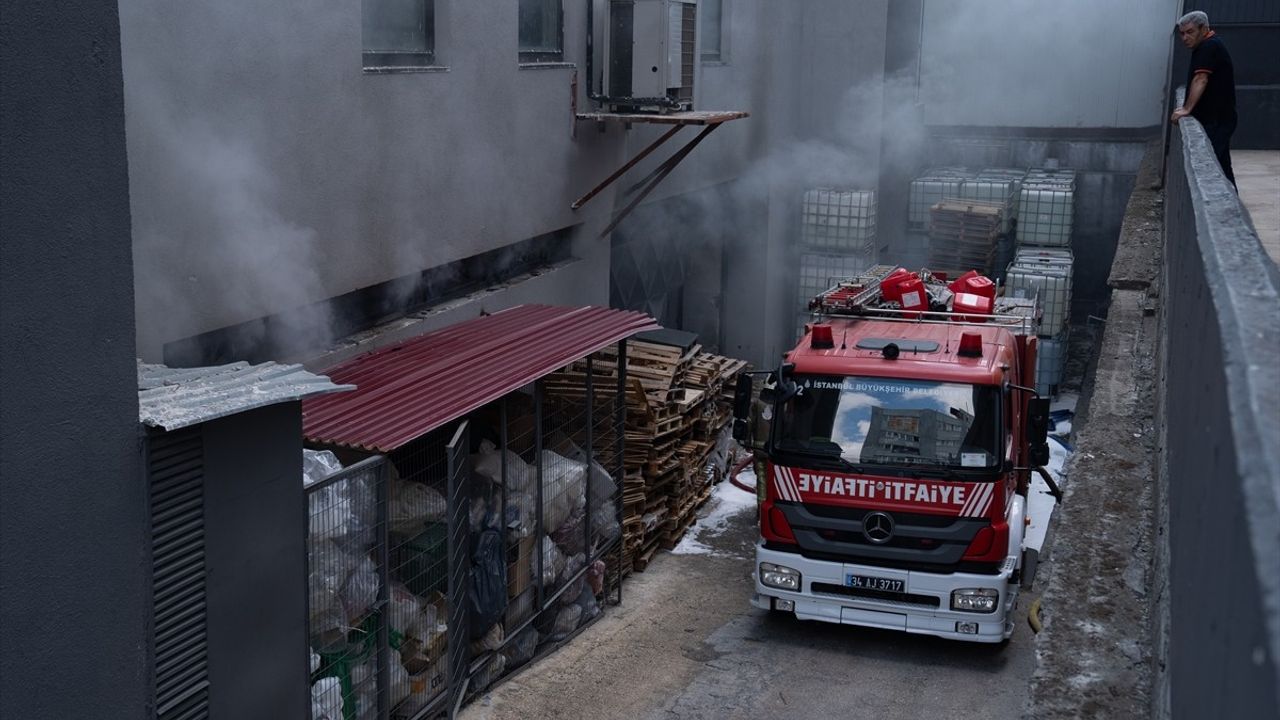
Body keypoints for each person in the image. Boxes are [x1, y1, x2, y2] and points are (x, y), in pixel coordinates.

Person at [1170, 10, 1238, 188]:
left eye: (1190, 32)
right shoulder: (1208, 45)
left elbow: (1201, 78)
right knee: (1222, 168)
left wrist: (1186, 109)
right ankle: (1233, 208)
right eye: (1182, 34)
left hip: (1217, 121)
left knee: (1211, 168)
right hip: (1219, 119)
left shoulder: (1209, 47)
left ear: (1204, 28)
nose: (1185, 38)